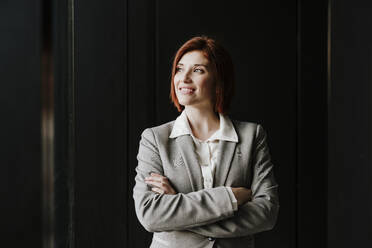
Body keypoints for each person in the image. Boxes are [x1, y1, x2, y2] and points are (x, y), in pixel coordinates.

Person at [133, 36, 279, 248]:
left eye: (198, 70)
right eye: (180, 69)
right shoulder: (154, 139)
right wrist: (229, 198)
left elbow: (267, 212)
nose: (184, 78)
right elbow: (150, 214)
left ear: (219, 81)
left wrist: (178, 207)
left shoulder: (252, 136)